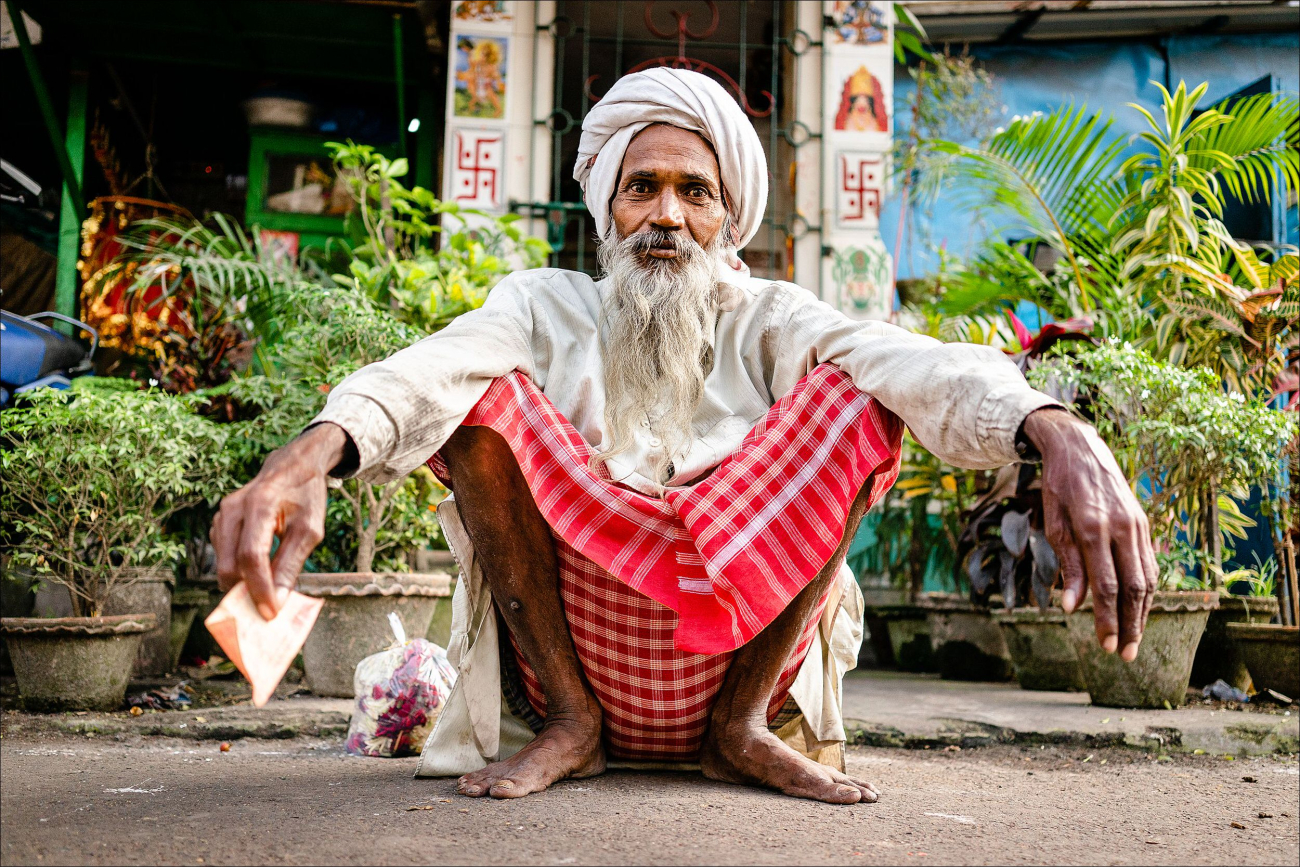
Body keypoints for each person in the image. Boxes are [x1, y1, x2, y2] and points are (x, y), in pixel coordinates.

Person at [212, 68, 1157, 805]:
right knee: (481, 407)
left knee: (860, 397)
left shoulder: (770, 316)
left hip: (742, 656)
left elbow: (903, 357)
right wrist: (315, 448)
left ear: (726, 216)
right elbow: (437, 364)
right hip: (571, 658)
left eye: (694, 192)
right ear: (608, 209)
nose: (667, 215)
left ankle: (739, 729)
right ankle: (575, 727)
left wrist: (1056, 428)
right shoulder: (549, 306)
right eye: (643, 189)